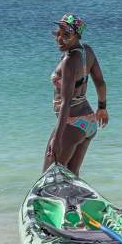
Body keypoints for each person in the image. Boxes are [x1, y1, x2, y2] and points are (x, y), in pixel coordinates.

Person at [44, 13, 108, 175]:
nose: (59, 38)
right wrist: (102, 108)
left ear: (76, 35)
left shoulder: (69, 61)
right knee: (71, 176)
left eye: (66, 35)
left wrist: (57, 139)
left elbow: (66, 102)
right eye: (58, 33)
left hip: (71, 124)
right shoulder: (87, 51)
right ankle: (74, 201)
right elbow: (100, 82)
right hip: (88, 122)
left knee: (50, 175)